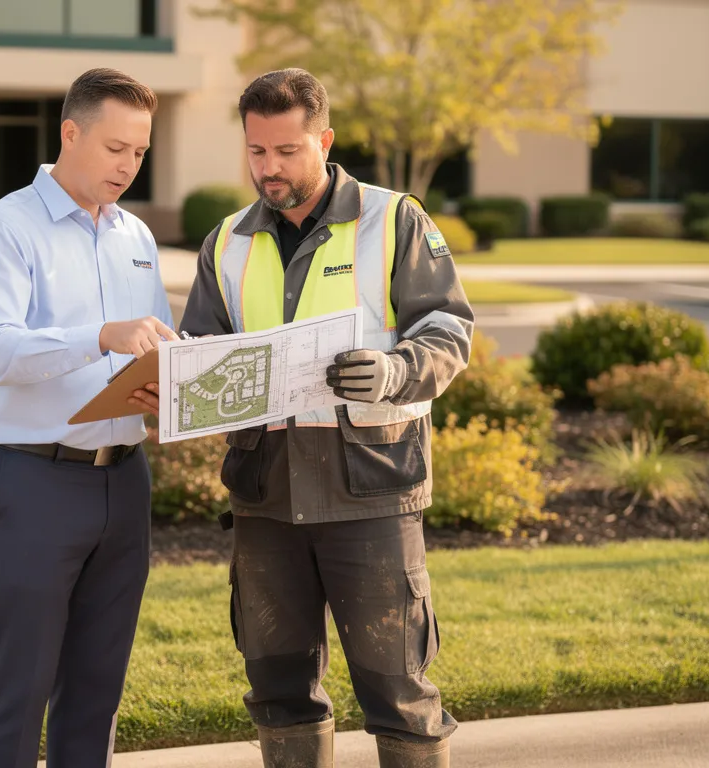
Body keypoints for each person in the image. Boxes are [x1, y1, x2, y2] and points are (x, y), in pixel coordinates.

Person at [178, 68, 475, 768]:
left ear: (325, 140)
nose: (269, 168)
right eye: (256, 152)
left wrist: (395, 371)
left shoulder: (393, 218)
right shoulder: (225, 242)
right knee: (276, 684)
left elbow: (449, 331)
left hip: (368, 491)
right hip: (265, 497)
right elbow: (200, 349)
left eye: (286, 151)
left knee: (396, 686)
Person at [0, 67, 173, 768]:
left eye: (139, 152)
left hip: (124, 483)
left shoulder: (135, 234)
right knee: (18, 689)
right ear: (69, 134)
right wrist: (101, 336)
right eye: (115, 148)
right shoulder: (4, 229)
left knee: (96, 689)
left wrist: (173, 389)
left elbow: (157, 342)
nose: (127, 166)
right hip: (30, 482)